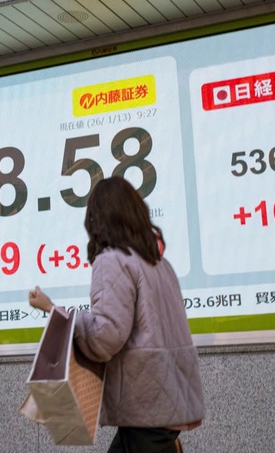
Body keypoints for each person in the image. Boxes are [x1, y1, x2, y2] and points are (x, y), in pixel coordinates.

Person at [29, 176, 205, 453]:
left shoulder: (112, 261)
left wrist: (57, 312)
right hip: (166, 400)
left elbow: (106, 337)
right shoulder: (160, 264)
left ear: (97, 219)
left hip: (144, 405)